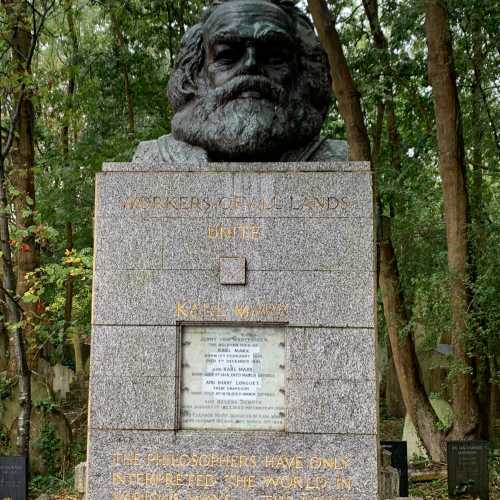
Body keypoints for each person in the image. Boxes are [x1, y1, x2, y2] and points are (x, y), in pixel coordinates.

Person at [133, 0, 347, 164]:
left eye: (274, 57)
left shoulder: (338, 159)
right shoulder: (154, 158)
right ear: (196, 74)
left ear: (302, 72)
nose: (251, 64)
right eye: (227, 55)